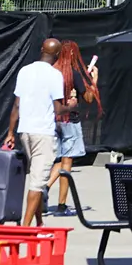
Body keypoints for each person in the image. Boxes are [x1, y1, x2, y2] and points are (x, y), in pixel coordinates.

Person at [7, 38, 71, 226]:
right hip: (43, 132)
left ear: (41, 49)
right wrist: (72, 106)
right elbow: (58, 110)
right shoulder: (55, 75)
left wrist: (10, 132)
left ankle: (39, 222)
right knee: (37, 181)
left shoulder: (24, 71)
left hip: (25, 131)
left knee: (38, 176)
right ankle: (25, 227)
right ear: (58, 55)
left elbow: (16, 105)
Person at [46, 41, 98, 215]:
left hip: (51, 120)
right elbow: (89, 98)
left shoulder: (51, 71)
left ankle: (45, 189)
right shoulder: (73, 74)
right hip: (69, 121)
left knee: (58, 160)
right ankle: (60, 203)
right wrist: (94, 80)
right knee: (66, 162)